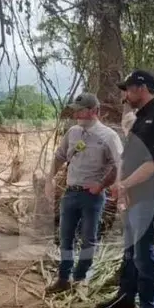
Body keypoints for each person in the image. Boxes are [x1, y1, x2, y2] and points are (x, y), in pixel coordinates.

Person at [97, 69, 154, 308]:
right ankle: (125, 295)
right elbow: (131, 157)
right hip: (133, 194)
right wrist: (123, 187)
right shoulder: (142, 116)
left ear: (142, 88)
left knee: (144, 254)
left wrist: (124, 185)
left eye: (129, 89)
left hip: (146, 194)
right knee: (130, 250)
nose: (125, 95)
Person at [45, 93, 123, 294]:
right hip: (71, 193)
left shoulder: (109, 136)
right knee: (65, 237)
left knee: (89, 238)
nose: (76, 114)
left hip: (92, 197)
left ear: (94, 111)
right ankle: (63, 279)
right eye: (75, 110)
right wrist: (49, 179)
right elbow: (60, 156)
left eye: (81, 110)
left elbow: (119, 164)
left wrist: (102, 185)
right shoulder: (73, 132)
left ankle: (80, 279)